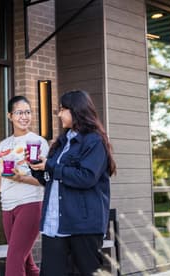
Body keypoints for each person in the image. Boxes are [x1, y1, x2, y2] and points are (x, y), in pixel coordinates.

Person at [30, 90, 117, 276]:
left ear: (76, 111)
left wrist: (51, 166)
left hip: (82, 226)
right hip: (54, 225)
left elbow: (86, 177)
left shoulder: (94, 141)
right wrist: (38, 169)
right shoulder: (62, 142)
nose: (59, 114)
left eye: (62, 109)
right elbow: (52, 180)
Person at [0, 95, 49, 276]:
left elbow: (46, 179)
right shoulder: (3, 146)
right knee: (26, 263)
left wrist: (22, 178)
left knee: (14, 258)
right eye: (19, 112)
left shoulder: (38, 143)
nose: (24, 116)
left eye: (27, 112)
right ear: (10, 116)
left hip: (31, 204)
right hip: (7, 207)